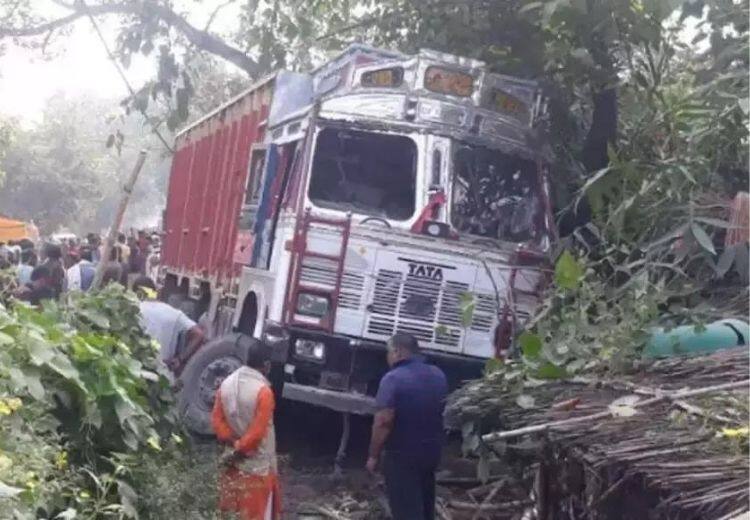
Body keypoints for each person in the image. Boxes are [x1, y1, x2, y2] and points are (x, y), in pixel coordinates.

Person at [367, 333, 448, 520]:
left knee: (406, 510)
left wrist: (373, 456)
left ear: (397, 352)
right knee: (425, 505)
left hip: (402, 456)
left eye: (388, 352)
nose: (387, 357)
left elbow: (383, 421)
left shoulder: (392, 379)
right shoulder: (438, 375)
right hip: (432, 453)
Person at [211, 341, 281, 520]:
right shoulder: (263, 392)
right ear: (266, 365)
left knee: (229, 511)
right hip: (257, 469)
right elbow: (258, 433)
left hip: (231, 464)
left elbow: (217, 421)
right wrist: (241, 446)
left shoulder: (226, 384)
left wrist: (232, 443)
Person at [132, 276, 204, 377]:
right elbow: (199, 334)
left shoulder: (132, 310)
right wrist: (180, 359)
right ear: (154, 291)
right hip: (163, 372)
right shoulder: (175, 313)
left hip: (136, 369)